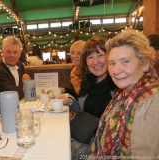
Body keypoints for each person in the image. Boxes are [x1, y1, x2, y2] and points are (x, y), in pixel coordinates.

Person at [90, 30, 159, 158]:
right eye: (112, 63)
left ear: (145, 64)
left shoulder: (151, 102)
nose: (116, 70)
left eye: (125, 61)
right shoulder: (123, 94)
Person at [58, 37, 117, 159]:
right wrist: (70, 102)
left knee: (57, 149)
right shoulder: (88, 81)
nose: (95, 62)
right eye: (90, 57)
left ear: (110, 57)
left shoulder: (117, 86)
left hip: (99, 145)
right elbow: (84, 110)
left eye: (100, 55)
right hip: (84, 132)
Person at [0, 36, 31, 114]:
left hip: (17, 108)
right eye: (8, 52)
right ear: (3, 52)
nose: (12, 55)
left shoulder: (19, 65)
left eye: (15, 52)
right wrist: (24, 83)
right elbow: (13, 96)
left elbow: (27, 86)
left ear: (19, 54)